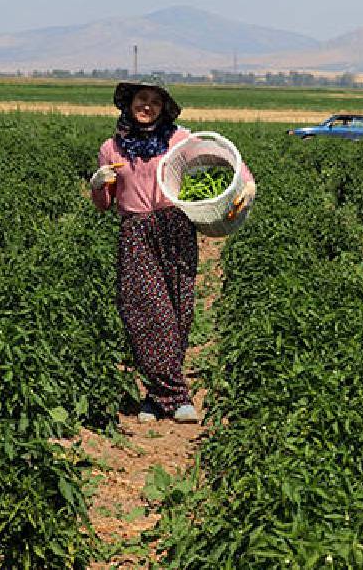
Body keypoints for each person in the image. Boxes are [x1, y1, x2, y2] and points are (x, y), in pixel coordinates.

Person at [90, 82, 255, 423]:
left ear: (164, 109)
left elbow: (224, 160)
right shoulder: (111, 148)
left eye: (154, 102)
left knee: (179, 310)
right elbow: (104, 205)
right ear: (129, 104)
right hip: (135, 230)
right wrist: (98, 184)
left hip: (176, 225)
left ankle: (154, 397)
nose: (146, 107)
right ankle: (177, 396)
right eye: (141, 100)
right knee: (147, 311)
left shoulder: (179, 140)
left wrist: (247, 184)